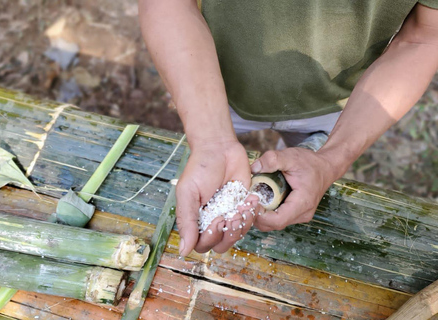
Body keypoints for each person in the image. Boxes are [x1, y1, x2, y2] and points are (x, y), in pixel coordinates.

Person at [138, 0, 438, 257]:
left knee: (304, 164)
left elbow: (425, 35)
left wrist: (331, 159)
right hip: (212, 81)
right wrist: (210, 138)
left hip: (347, 103)